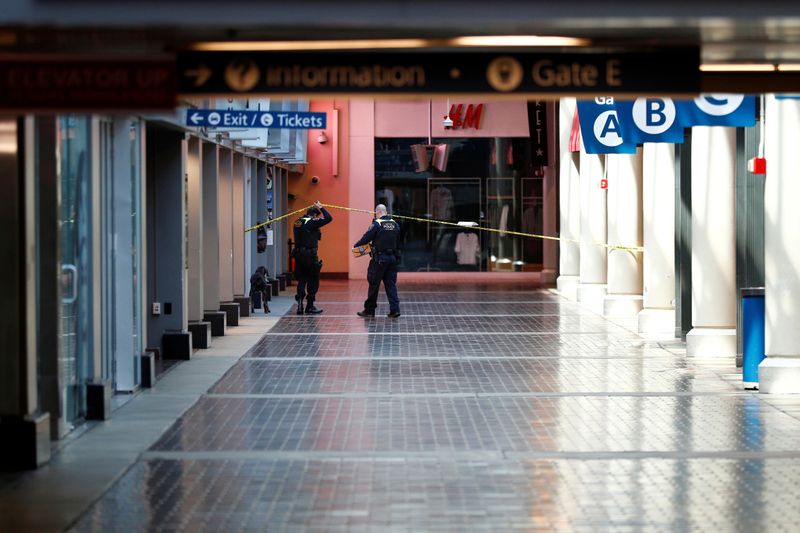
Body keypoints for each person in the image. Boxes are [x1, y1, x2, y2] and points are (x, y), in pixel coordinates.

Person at [353, 204, 401, 318]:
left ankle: (369, 310)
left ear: (377, 212)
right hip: (392, 259)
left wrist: (356, 246)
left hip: (379, 259)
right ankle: (395, 310)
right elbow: (398, 242)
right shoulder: (395, 224)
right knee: (391, 285)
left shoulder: (377, 224)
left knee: (374, 284)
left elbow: (366, 238)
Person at [292, 201, 332, 314]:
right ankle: (309, 306)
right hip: (310, 256)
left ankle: (300, 305)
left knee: (302, 280)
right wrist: (322, 208)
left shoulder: (297, 222)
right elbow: (329, 218)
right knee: (313, 280)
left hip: (299, 255)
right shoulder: (312, 222)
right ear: (314, 215)